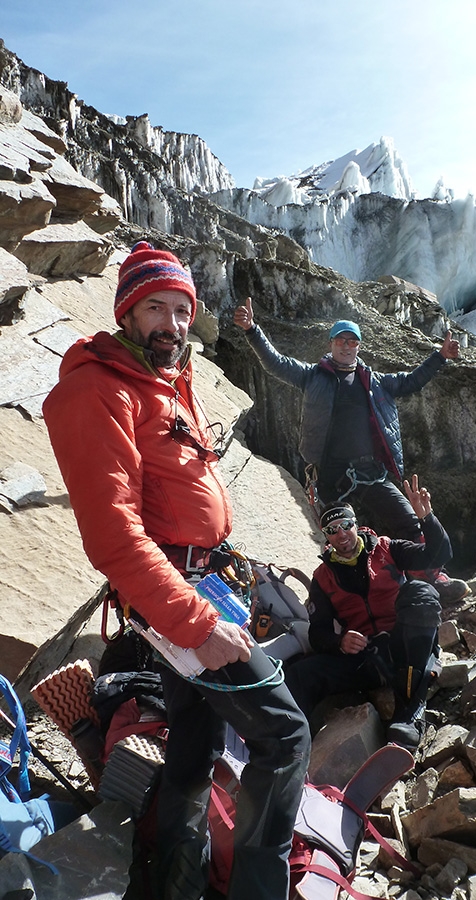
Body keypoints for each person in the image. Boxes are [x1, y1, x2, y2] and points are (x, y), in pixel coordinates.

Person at [42, 241, 310, 900]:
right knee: (284, 736)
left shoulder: (159, 380)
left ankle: (175, 880)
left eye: (182, 309)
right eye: (155, 307)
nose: (173, 323)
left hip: (198, 583)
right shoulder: (97, 390)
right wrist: (194, 624)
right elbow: (113, 537)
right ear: (126, 314)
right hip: (179, 597)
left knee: (195, 739)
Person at [233, 297, 468, 601]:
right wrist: (252, 330)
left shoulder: (376, 382)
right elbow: (277, 363)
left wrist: (440, 357)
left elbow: (412, 381)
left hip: (371, 471)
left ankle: (431, 576)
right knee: (339, 536)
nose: (346, 346)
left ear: (359, 347)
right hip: (332, 476)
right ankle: (349, 596)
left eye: (352, 342)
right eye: (341, 341)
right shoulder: (313, 376)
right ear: (331, 344)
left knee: (409, 521)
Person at [284, 475, 450, 751]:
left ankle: (410, 715)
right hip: (366, 657)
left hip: (405, 645)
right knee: (300, 674)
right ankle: (290, 742)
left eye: (345, 525)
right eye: (332, 529)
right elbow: (318, 631)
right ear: (325, 535)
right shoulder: (322, 577)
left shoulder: (387, 548)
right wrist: (340, 642)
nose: (341, 534)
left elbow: (438, 554)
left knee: (421, 593)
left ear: (356, 525)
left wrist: (427, 519)